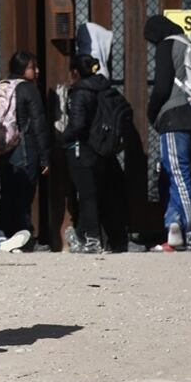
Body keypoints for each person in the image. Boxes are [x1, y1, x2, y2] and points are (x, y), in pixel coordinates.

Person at [144, 15, 191, 251]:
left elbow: (161, 88)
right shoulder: (188, 43)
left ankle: (188, 233)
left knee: (178, 176)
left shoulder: (167, 45)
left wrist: (152, 113)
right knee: (173, 173)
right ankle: (173, 230)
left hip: (173, 118)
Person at [62, 54, 124, 254]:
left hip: (83, 149)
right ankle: (94, 237)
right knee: (97, 194)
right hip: (102, 148)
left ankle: (92, 239)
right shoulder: (105, 88)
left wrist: (62, 138)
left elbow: (78, 124)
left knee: (87, 196)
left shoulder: (80, 92)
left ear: (75, 72)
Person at [0, 51, 50, 244]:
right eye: (32, 67)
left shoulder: (2, 85)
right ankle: (23, 235)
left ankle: (2, 234)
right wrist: (45, 157)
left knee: (6, 192)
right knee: (24, 195)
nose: (37, 71)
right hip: (25, 149)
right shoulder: (28, 89)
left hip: (2, 151)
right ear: (22, 69)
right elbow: (38, 125)